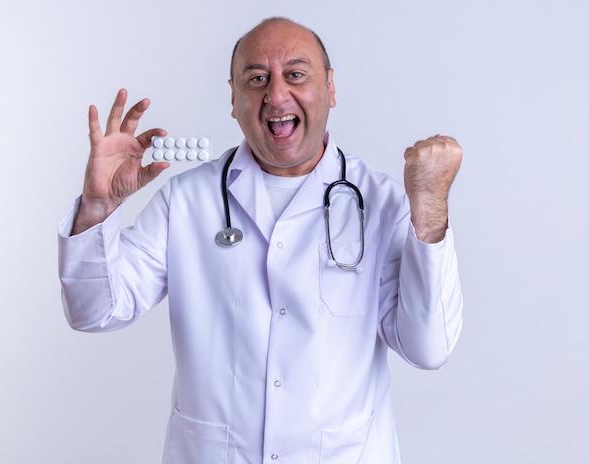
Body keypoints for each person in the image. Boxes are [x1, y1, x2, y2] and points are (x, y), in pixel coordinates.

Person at [58, 16, 463, 464]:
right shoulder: (187, 201)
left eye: (295, 74)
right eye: (256, 79)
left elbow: (428, 349)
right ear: (233, 98)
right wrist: (97, 207)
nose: (276, 95)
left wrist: (429, 211)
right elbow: (94, 312)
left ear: (330, 88)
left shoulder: (383, 201)